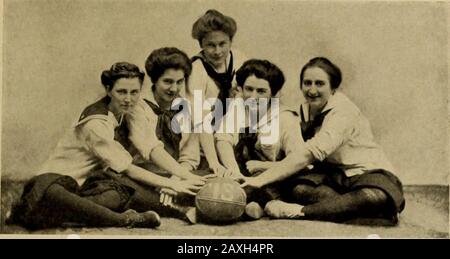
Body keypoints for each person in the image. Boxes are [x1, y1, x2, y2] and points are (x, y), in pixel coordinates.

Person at [9, 62, 202, 229]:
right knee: (62, 197)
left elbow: (150, 147)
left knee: (119, 195)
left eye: (134, 92)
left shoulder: (130, 109)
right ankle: (126, 220)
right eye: (121, 92)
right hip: (53, 182)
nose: (128, 98)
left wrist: (185, 175)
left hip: (85, 187)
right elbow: (129, 169)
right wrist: (172, 183)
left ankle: (46, 215)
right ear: (108, 90)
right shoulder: (95, 124)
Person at [246, 57, 405, 225]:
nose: (312, 90)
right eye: (307, 83)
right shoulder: (303, 110)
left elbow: (307, 155)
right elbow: (301, 157)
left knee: (375, 197)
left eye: (320, 83)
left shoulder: (344, 112)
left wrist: (259, 180)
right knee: (299, 190)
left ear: (333, 88)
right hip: (333, 177)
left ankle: (299, 212)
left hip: (367, 174)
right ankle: (362, 212)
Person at [127, 47, 212, 218]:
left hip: (177, 175)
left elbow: (189, 157)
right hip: (143, 175)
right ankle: (178, 208)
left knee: (214, 182)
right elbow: (151, 150)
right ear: (154, 80)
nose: (174, 88)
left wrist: (175, 179)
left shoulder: (185, 107)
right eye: (167, 81)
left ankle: (172, 203)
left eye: (179, 82)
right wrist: (172, 181)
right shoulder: (136, 106)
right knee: (125, 189)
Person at [215, 59, 304, 220]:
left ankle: (255, 205)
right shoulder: (238, 106)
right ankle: (249, 206)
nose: (253, 97)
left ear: (274, 94)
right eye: (249, 89)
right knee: (210, 182)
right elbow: (223, 139)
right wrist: (232, 170)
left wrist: (264, 166)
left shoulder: (285, 119)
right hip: (241, 173)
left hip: (273, 178)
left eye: (261, 91)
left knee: (233, 194)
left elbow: (300, 161)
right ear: (241, 89)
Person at [186, 9, 248, 176]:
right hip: (201, 134)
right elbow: (200, 119)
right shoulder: (196, 70)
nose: (218, 51)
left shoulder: (240, 59)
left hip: (230, 131)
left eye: (223, 44)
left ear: (230, 41)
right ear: (201, 45)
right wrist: (214, 163)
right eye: (211, 45)